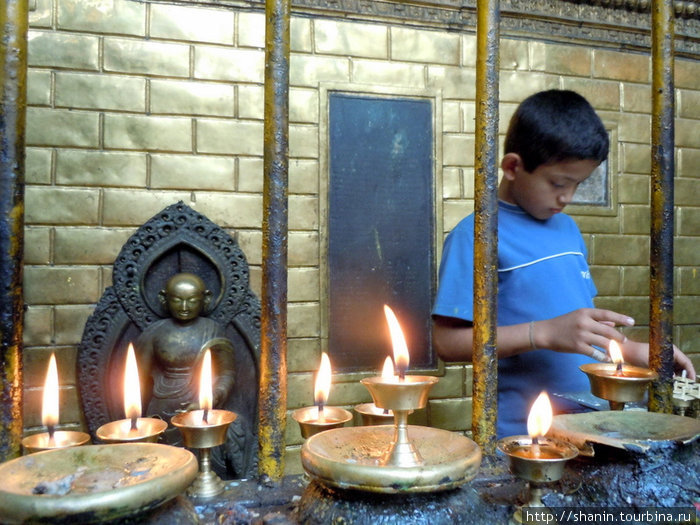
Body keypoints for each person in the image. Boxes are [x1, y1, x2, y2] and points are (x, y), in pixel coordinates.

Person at [432, 90, 696, 438]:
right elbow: (446, 343)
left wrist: (632, 352)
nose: (567, 197)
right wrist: (541, 332)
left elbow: (579, 329)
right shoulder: (477, 235)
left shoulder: (567, 229)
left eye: (578, 185)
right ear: (512, 166)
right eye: (558, 183)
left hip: (593, 426)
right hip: (525, 436)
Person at [136, 272, 236, 424]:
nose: (184, 307)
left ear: (206, 299)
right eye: (177, 300)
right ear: (164, 298)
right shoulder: (154, 332)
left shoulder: (213, 330)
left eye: (192, 301)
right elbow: (139, 378)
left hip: (200, 401)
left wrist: (213, 397)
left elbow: (227, 373)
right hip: (162, 403)